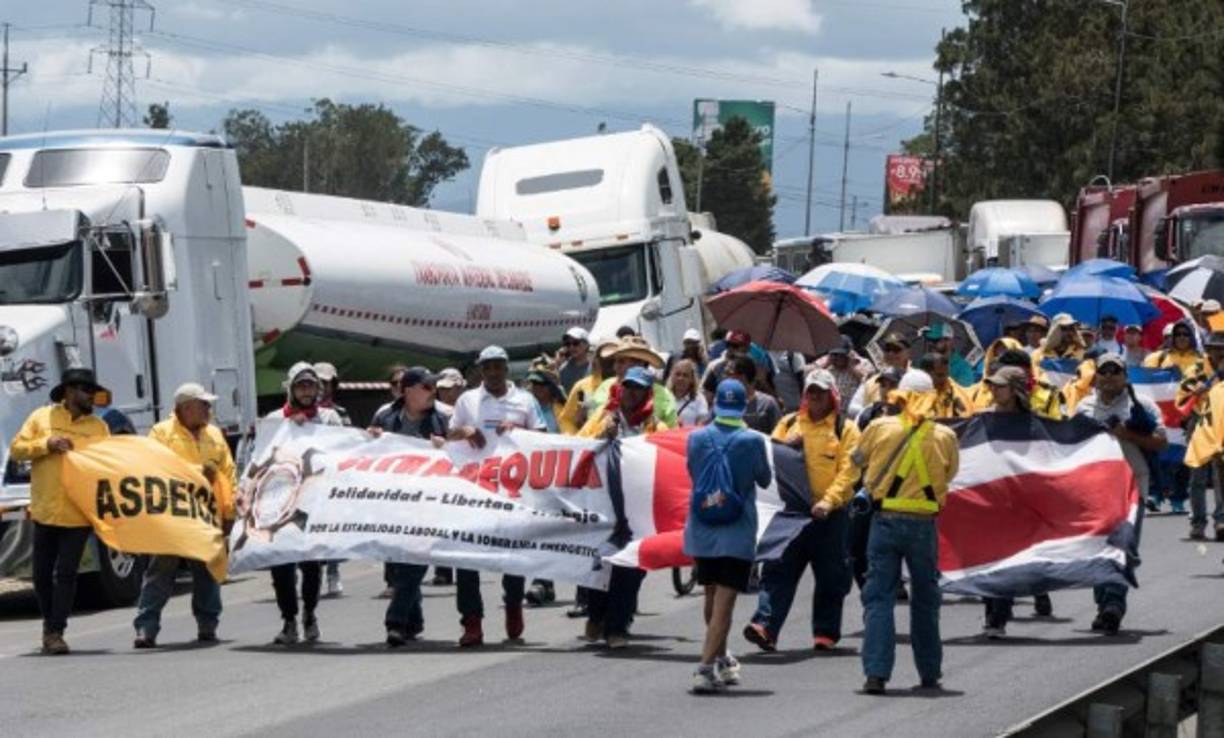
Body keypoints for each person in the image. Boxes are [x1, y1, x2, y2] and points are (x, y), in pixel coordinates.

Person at [853, 371, 959, 695]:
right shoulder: (944, 436)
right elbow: (950, 472)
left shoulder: (879, 427)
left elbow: (856, 460)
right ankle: (929, 672)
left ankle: (876, 674)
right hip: (923, 525)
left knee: (879, 598)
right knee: (925, 599)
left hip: (885, 520)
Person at [743, 369, 861, 652]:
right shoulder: (788, 422)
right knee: (777, 569)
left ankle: (825, 633)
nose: (815, 397)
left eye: (821, 392)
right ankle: (765, 626)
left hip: (830, 516)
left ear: (832, 395)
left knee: (832, 577)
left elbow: (850, 471)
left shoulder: (846, 429)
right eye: (811, 391)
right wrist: (786, 445)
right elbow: (770, 458)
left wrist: (828, 501)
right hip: (791, 513)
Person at [448, 345, 547, 646]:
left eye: (498, 366)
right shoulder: (467, 400)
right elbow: (449, 435)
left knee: (512, 557)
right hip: (473, 488)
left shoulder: (525, 400)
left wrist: (517, 430)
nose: (492, 372)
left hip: (512, 490)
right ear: (480, 369)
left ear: (506, 368)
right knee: (465, 559)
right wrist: (464, 431)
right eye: (487, 367)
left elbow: (543, 437)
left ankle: (514, 605)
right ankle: (472, 622)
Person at [9, 368, 111, 655]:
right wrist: (46, 444)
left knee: (66, 574)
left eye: (92, 391)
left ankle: (56, 631)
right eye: (85, 390)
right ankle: (49, 626)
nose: (91, 396)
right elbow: (17, 449)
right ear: (68, 391)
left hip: (79, 512)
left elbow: (108, 465)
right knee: (41, 576)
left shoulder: (98, 427)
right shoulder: (42, 418)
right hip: (45, 509)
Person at [684, 379, 773, 693]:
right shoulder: (751, 441)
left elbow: (693, 474)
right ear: (743, 407)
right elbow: (764, 478)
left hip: (702, 527)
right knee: (725, 602)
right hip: (737, 530)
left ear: (715, 404)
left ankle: (722, 658)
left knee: (711, 596)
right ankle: (705, 666)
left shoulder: (696, 438)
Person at [131, 383, 237, 648]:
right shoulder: (161, 433)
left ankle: (208, 624)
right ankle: (146, 627)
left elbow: (229, 473)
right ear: (186, 407)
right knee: (160, 570)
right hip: (171, 514)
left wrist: (229, 510)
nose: (209, 409)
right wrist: (198, 470)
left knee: (207, 571)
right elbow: (155, 467)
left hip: (205, 515)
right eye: (204, 404)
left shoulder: (214, 434)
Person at [578, 367, 671, 648]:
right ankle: (596, 615)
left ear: (647, 393)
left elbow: (669, 461)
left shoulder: (657, 427)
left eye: (638, 388)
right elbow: (578, 449)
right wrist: (602, 438)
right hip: (605, 504)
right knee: (601, 564)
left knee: (631, 567)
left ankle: (618, 626)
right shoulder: (603, 418)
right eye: (628, 386)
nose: (631, 392)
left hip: (640, 509)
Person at [1076, 352, 1167, 635]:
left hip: (1132, 486)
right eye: (1104, 371)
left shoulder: (1143, 406)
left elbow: (1160, 443)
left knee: (1123, 545)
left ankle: (1114, 605)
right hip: (1095, 489)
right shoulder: (1084, 407)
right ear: (1096, 376)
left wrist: (1125, 433)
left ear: (1125, 377)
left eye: (1116, 371)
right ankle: (1104, 605)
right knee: (1099, 549)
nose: (1109, 376)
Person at [367, 366, 449, 646]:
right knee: (398, 567)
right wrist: (370, 438)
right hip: (393, 503)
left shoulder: (442, 419)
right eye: (426, 387)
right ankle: (414, 620)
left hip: (429, 504)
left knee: (415, 563)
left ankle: (396, 622)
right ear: (408, 390)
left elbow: (462, 455)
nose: (432, 392)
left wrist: (447, 446)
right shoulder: (386, 416)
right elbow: (366, 454)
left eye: (433, 387)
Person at [265, 362, 344, 645]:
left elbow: (345, 450)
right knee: (281, 564)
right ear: (291, 389)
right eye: (301, 385)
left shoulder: (329, 418)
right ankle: (289, 619)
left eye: (311, 385)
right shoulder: (275, 419)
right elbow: (259, 455)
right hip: (281, 500)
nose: (306, 391)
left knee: (312, 563)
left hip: (315, 499)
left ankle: (310, 613)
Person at [978, 366, 1034, 638]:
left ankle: (997, 617)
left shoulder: (1032, 424)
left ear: (1015, 390)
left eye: (1000, 386)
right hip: (989, 498)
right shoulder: (983, 419)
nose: (994, 390)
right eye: (992, 385)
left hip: (1018, 499)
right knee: (987, 560)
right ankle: (994, 606)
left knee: (1007, 560)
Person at [1179, 332, 1224, 539]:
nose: (1220, 352)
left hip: (1221, 423)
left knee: (1220, 475)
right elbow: (1180, 400)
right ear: (1208, 350)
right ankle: (1198, 522)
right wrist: (1195, 392)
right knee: (1198, 476)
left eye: (1222, 348)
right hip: (1200, 422)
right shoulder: (1195, 370)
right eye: (1215, 348)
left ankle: (1221, 520)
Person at [313, 361, 351, 598]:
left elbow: (348, 444)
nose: (323, 387)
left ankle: (334, 572)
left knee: (332, 528)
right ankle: (314, 575)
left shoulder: (340, 413)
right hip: (309, 477)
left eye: (327, 382)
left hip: (332, 477)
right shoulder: (298, 414)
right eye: (319, 382)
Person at [559, 336, 618, 436]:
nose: (608, 362)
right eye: (604, 358)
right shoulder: (581, 386)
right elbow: (566, 419)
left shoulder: (627, 385)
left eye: (612, 359)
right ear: (596, 359)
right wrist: (575, 437)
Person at [847, 333, 911, 419]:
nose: (891, 354)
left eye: (896, 350)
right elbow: (852, 408)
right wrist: (874, 411)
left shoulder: (917, 378)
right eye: (887, 349)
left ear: (908, 352)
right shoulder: (872, 380)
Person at [723, 355, 782, 434]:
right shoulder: (722, 402)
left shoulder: (768, 404)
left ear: (742, 377)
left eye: (728, 374)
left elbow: (779, 436)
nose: (724, 377)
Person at [917, 352, 975, 419]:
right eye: (940, 375)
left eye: (946, 375)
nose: (944, 379)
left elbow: (968, 415)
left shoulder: (951, 387)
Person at [815, 336, 872, 403]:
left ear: (850, 352)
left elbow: (869, 384)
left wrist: (852, 368)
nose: (838, 358)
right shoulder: (827, 360)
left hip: (851, 410)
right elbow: (810, 377)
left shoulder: (863, 363)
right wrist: (826, 365)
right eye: (835, 354)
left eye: (841, 354)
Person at [921, 323, 975, 388]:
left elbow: (962, 395)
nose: (931, 344)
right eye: (929, 340)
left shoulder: (963, 369)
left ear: (949, 341)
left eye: (935, 340)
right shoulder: (925, 363)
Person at [668, 358, 710, 427]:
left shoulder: (699, 399)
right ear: (672, 376)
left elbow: (701, 426)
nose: (680, 378)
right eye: (677, 374)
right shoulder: (664, 396)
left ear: (692, 379)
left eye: (685, 375)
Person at [558, 327, 592, 395]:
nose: (571, 347)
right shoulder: (563, 369)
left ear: (586, 345)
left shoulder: (595, 367)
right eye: (567, 344)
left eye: (575, 343)